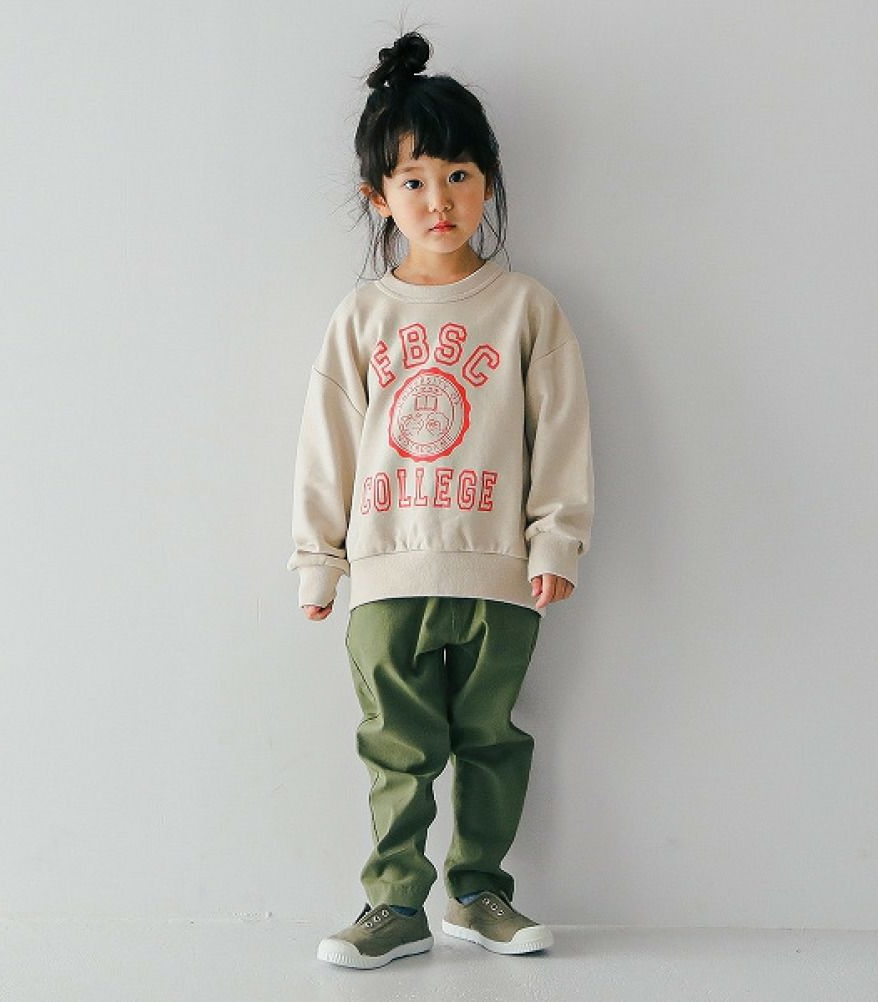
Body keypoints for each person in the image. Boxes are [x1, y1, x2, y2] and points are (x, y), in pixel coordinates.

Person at [287, 30, 595, 970]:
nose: (440, 199)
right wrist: (317, 559)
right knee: (397, 745)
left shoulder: (526, 309)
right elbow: (328, 444)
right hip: (386, 570)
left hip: (501, 572)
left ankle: (479, 892)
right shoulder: (362, 317)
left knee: (492, 739)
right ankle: (394, 905)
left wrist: (557, 542)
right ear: (378, 197)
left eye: (459, 175)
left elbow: (562, 434)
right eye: (414, 180)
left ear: (487, 183)